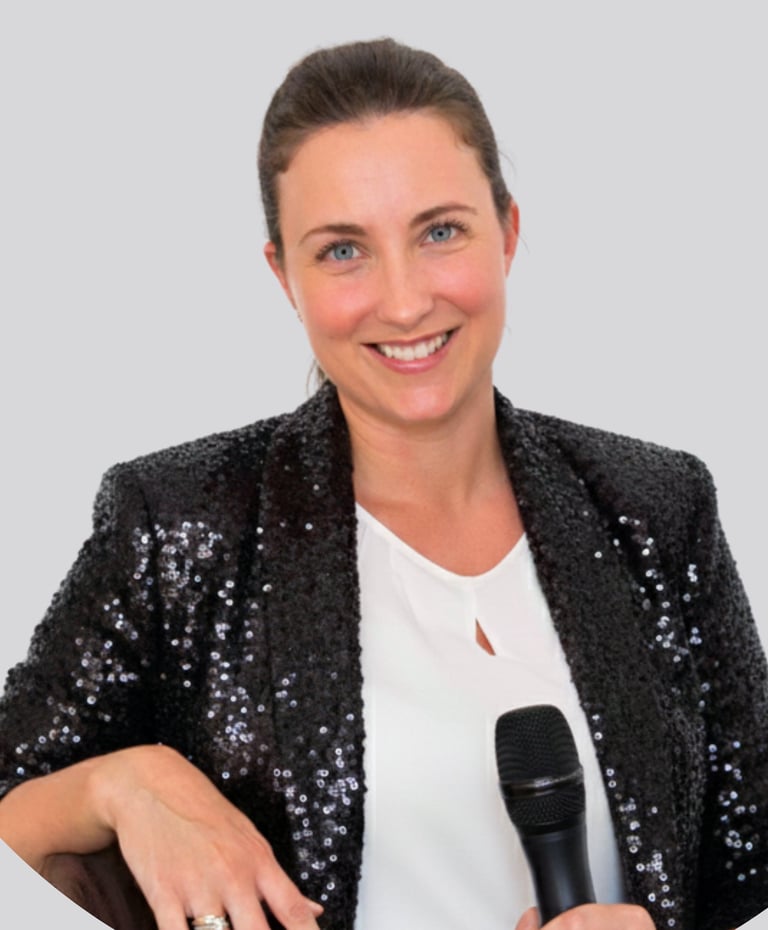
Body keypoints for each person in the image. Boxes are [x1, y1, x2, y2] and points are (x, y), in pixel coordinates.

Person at [0, 36, 766, 930]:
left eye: (440, 232)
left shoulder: (655, 508)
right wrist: (125, 784)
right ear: (284, 276)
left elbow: (749, 873)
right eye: (342, 250)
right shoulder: (179, 526)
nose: (403, 302)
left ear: (509, 233)